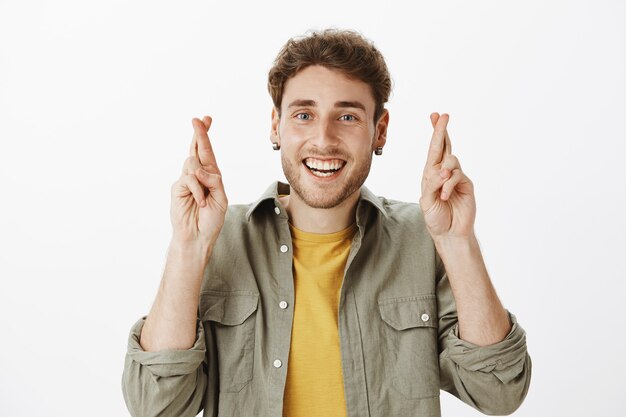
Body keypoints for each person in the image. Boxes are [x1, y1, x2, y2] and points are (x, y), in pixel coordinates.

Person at [122, 28, 531, 417]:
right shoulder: (221, 237)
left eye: (348, 117)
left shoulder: (424, 239)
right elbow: (156, 406)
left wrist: (457, 240)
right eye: (303, 114)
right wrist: (188, 247)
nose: (323, 139)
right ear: (275, 125)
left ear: (380, 131)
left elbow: (498, 391)